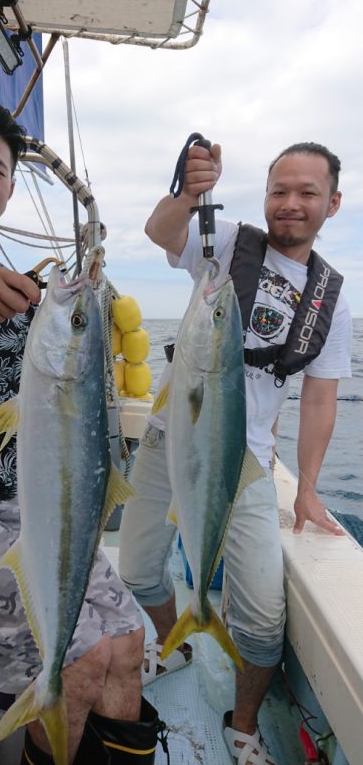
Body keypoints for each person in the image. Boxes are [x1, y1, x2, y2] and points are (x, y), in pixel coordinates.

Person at [0, 91, 158, 765]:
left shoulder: (25, 292)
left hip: (31, 508)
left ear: (10, 186)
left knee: (128, 641)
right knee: (80, 659)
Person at [119, 140, 352, 765]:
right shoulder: (226, 244)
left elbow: (321, 400)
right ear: (266, 195)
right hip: (170, 440)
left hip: (243, 463)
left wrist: (306, 485)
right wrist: (190, 192)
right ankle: (177, 638)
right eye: (280, 190)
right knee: (139, 570)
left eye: (307, 193)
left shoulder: (331, 297)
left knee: (263, 622)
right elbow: (159, 228)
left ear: (333, 202)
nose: (291, 204)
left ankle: (242, 720)